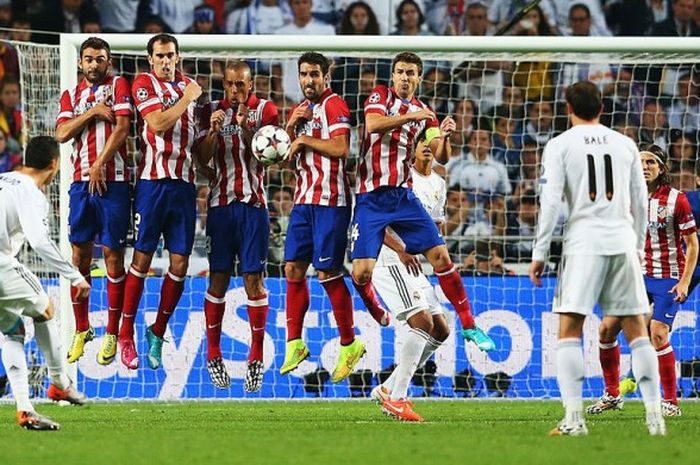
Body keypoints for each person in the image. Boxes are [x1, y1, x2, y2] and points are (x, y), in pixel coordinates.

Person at [350, 52, 495, 387]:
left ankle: (469, 322)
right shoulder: (381, 97)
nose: (404, 77)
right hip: (371, 198)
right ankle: (375, 308)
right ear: (393, 75)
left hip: (401, 196)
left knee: (442, 256)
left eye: (410, 73)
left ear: (419, 77)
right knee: (361, 272)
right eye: (400, 71)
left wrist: (443, 134)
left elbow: (441, 154)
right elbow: (372, 126)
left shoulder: (423, 110)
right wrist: (414, 115)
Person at [529, 81, 665, 436]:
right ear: (602, 108)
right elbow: (640, 201)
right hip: (622, 241)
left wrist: (540, 252)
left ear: (568, 108)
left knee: (569, 330)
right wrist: (636, 248)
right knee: (638, 330)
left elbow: (552, 203)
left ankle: (574, 420)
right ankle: (655, 419)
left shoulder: (559, 145)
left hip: (582, 243)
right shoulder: (626, 144)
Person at [587, 144, 698, 418]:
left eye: (651, 162)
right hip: (635, 277)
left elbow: (693, 245)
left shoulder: (677, 200)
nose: (645, 166)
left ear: (661, 169)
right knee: (605, 330)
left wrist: (684, 282)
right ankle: (612, 395)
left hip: (667, 278)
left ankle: (671, 401)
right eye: (641, 162)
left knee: (658, 334)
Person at [118, 33, 202, 370]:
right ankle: (125, 334)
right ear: (150, 59)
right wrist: (186, 98)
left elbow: (196, 144)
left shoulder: (192, 89)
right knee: (141, 260)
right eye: (160, 56)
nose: (166, 61)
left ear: (178, 57)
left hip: (183, 187)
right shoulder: (143, 84)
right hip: (152, 185)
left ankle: (157, 331)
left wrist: (212, 130)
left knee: (179, 266)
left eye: (171, 55)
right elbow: (158, 123)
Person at [280, 52, 365, 384]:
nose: (308, 80)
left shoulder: (334, 104)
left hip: (331, 200)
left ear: (326, 77)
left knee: (327, 270)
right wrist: (290, 128)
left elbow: (341, 148)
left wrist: (303, 138)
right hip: (303, 199)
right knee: (292, 268)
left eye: (314, 74)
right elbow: (288, 157)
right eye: (303, 74)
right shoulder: (300, 112)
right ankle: (295, 343)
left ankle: (349, 343)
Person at [194, 60, 279, 391]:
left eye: (240, 85)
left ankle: (255, 358)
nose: (234, 90)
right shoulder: (211, 110)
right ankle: (213, 353)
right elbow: (201, 160)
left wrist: (244, 127)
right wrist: (215, 131)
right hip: (219, 206)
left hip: (253, 205)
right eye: (229, 84)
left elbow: (270, 158)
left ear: (251, 85)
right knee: (218, 278)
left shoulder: (266, 110)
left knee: (253, 280)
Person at [0, 136, 90, 430]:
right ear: (54, 164)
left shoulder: (4, 178)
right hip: (1, 265)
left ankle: (25, 409)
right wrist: (75, 275)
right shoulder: (32, 193)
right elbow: (39, 241)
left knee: (12, 327)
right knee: (46, 309)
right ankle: (59, 383)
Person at [55, 37, 132, 366]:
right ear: (80, 62)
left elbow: (124, 127)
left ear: (109, 61)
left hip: (113, 183)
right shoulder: (71, 95)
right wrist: (93, 114)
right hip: (80, 186)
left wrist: (100, 162)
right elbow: (61, 134)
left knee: (114, 258)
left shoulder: (119, 85)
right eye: (88, 59)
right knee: (79, 255)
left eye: (99, 59)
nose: (93, 64)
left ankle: (113, 331)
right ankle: (82, 328)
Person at [369, 132, 450, 422]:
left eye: (432, 142)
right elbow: (378, 222)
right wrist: (403, 250)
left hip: (417, 264)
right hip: (392, 261)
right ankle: (398, 398)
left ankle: (388, 387)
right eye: (422, 143)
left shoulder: (439, 182)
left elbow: (435, 225)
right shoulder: (401, 180)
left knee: (441, 329)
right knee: (423, 322)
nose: (428, 147)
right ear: (411, 151)